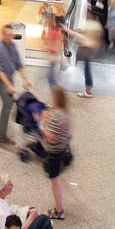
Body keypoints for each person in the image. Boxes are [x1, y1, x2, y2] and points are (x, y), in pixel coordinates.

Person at [0, 23, 31, 146]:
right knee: (8, 104)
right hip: (2, 82)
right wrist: (9, 86)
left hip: (10, 79)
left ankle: (8, 127)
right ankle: (2, 136)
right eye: (7, 35)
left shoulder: (13, 46)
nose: (10, 37)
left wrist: (26, 79)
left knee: (11, 103)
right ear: (3, 35)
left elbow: (18, 63)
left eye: (11, 35)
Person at [41, 87, 72, 220]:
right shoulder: (66, 113)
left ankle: (59, 211)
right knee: (56, 176)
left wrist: (43, 124)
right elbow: (68, 133)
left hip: (54, 151)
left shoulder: (57, 116)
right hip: (62, 149)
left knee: (55, 180)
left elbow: (50, 136)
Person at [61, 11, 104, 98]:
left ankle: (88, 91)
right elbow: (99, 37)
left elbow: (80, 36)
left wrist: (67, 30)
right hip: (91, 49)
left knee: (86, 69)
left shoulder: (87, 24)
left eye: (87, 13)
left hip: (87, 49)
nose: (86, 15)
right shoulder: (97, 25)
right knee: (86, 68)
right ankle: (88, 89)